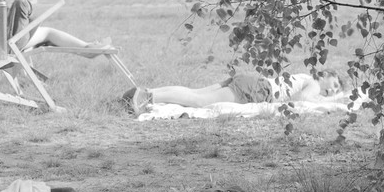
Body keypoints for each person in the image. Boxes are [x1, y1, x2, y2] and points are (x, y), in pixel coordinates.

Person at [121, 68, 347, 116]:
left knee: (195, 92)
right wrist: (335, 99)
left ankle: (148, 91)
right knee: (199, 101)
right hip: (257, 89)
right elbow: (303, 100)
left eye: (335, 90)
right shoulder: (314, 82)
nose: (331, 90)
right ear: (324, 74)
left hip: (251, 80)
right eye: (333, 84)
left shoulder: (304, 76)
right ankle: (145, 97)